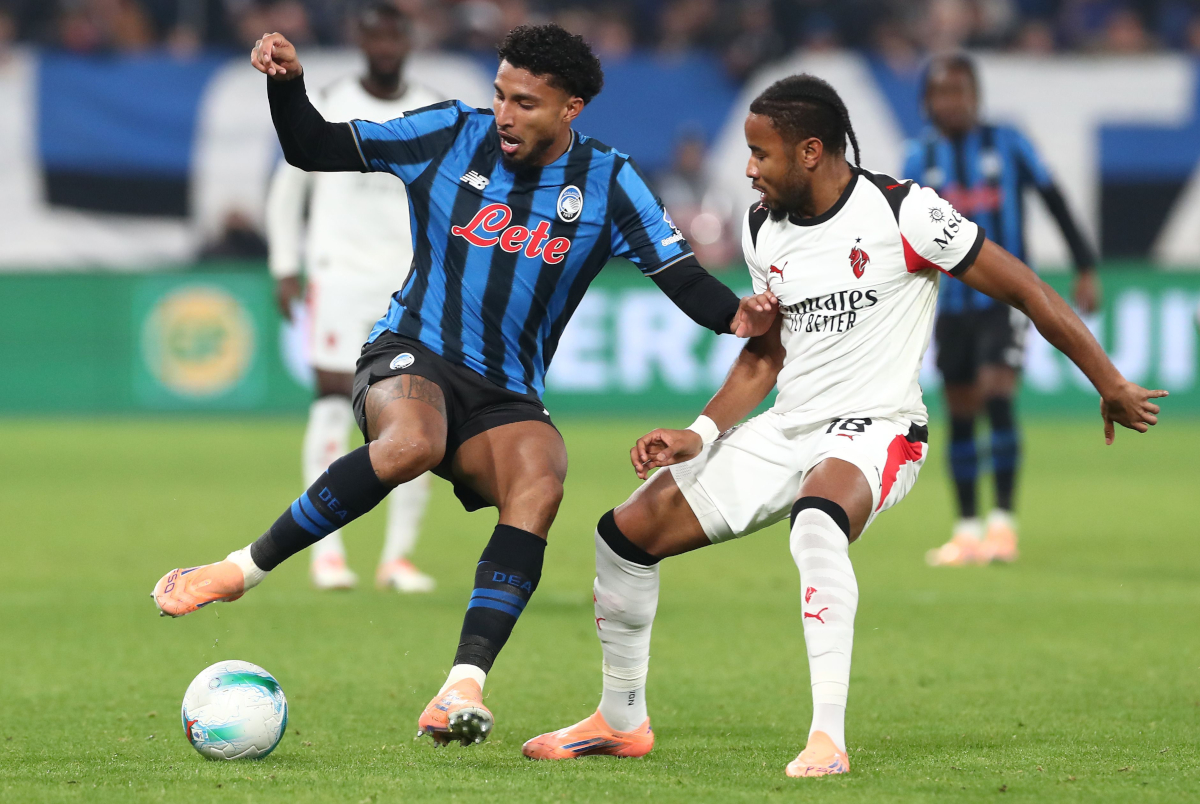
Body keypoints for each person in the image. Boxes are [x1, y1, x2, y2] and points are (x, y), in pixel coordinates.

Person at [151, 23, 777, 747]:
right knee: (412, 442)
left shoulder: (610, 180)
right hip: (411, 351)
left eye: (527, 103)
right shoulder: (450, 133)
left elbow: (682, 278)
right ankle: (240, 568)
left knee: (542, 479)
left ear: (571, 109)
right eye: (500, 95)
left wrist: (738, 314)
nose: (506, 115)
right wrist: (285, 84)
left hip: (505, 393)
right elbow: (312, 146)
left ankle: (462, 685)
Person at [520, 74, 1165, 777]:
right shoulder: (764, 227)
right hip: (788, 426)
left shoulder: (904, 213)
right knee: (623, 535)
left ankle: (827, 739)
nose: (748, 169)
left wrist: (1109, 383)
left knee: (817, 520)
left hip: (879, 427)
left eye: (761, 154)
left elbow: (1027, 289)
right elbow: (765, 356)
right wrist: (699, 434)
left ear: (810, 151)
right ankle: (621, 720)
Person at [265, 2, 440, 593]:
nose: (385, 43)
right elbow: (288, 188)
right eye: (375, 33)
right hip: (338, 274)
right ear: (360, 40)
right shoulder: (333, 101)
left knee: (418, 408)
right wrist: (285, 264)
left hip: (409, 280)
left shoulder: (431, 107)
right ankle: (327, 553)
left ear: (409, 40)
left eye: (394, 32)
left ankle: (397, 558)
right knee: (334, 400)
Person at [902, 53, 1100, 566]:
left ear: (977, 96)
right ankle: (967, 532)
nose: (953, 102)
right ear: (927, 101)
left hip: (1006, 299)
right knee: (961, 409)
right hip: (947, 303)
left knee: (996, 392)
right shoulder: (916, 157)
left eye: (961, 91)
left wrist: (1085, 266)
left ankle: (1003, 526)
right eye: (943, 93)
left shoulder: (1008, 143)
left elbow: (1055, 200)